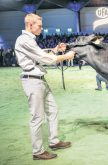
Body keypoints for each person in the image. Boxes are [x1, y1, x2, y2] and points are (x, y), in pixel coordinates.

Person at [14, 13, 76, 160]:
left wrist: (54, 50)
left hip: (39, 79)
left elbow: (39, 55)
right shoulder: (23, 40)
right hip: (32, 80)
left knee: (53, 109)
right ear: (30, 25)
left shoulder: (29, 40)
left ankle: (54, 141)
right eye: (39, 26)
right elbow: (44, 59)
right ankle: (38, 151)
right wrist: (65, 56)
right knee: (37, 117)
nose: (42, 29)